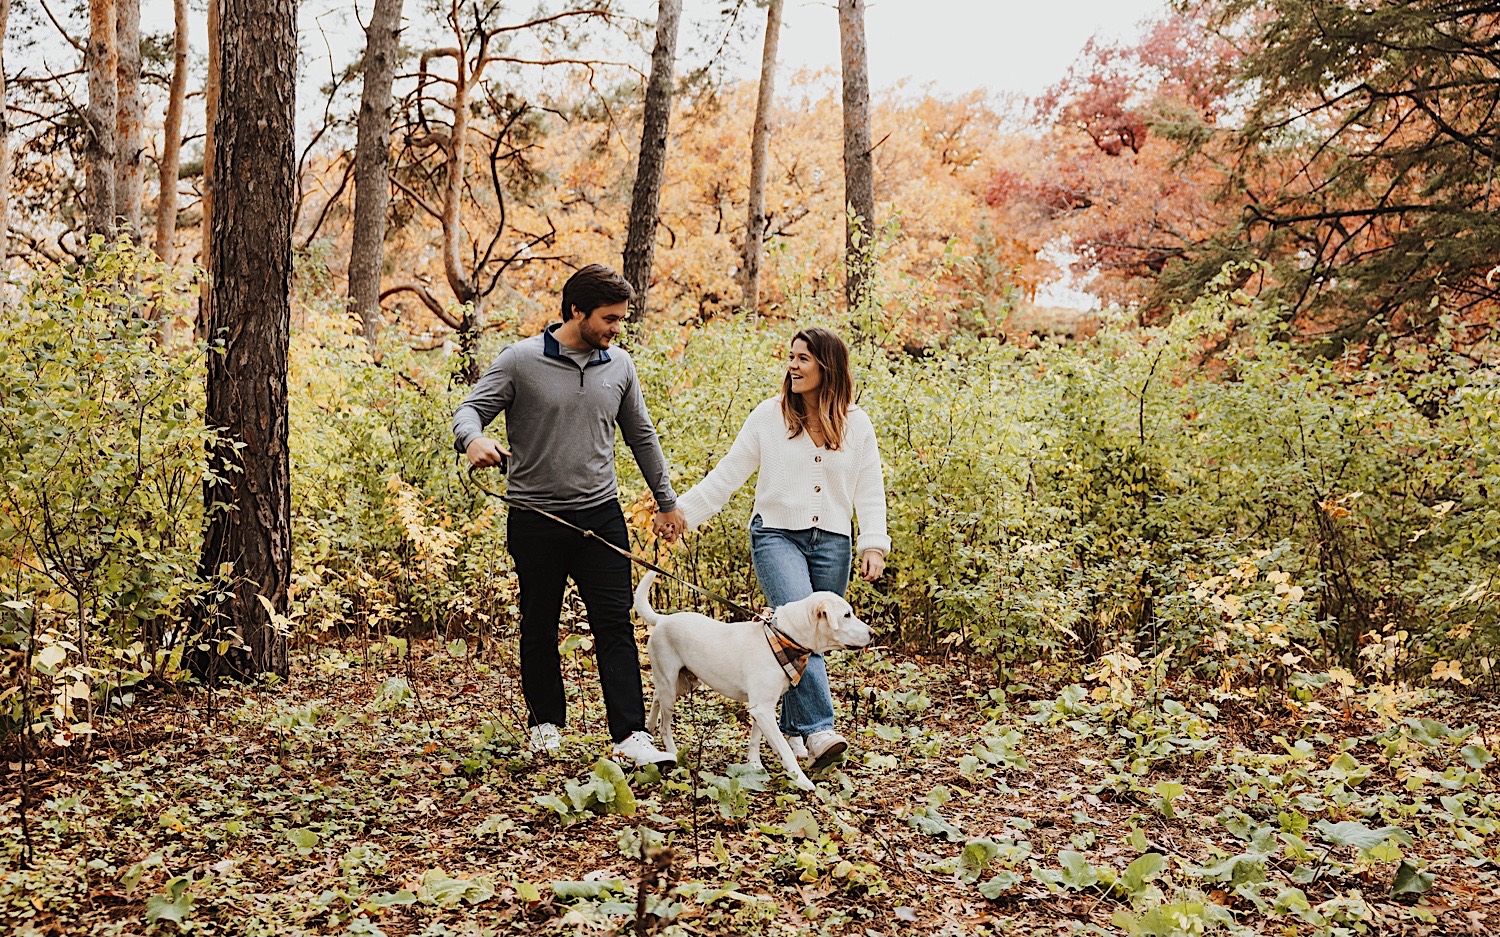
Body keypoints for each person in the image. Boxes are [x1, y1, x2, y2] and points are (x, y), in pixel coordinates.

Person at [452, 263, 686, 768]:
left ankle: (629, 736)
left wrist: (666, 501)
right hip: (536, 520)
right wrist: (472, 439)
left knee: (615, 625)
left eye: (621, 320)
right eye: (609, 318)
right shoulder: (520, 361)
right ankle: (545, 725)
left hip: (601, 517)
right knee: (539, 622)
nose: (616, 329)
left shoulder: (619, 366)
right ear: (576, 310)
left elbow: (641, 435)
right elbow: (469, 410)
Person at [670, 327, 889, 770]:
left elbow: (870, 489)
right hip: (775, 535)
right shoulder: (769, 417)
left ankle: (789, 729)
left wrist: (873, 543)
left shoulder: (856, 423)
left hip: (834, 541)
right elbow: (728, 474)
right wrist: (682, 513)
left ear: (827, 367)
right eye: (791, 357)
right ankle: (819, 730)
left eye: (803, 359)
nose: (792, 366)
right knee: (797, 624)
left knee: (818, 640)